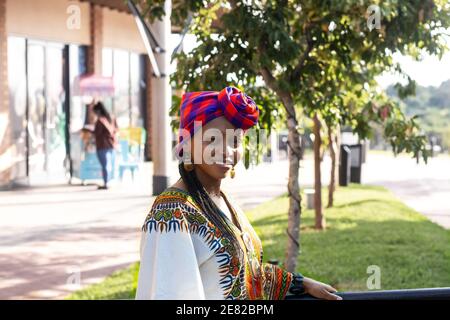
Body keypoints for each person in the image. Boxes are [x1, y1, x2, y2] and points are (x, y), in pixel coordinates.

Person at [135, 86, 341, 300]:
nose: (227, 150)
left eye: (235, 141)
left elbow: (245, 272)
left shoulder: (221, 199)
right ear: (187, 144)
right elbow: (169, 294)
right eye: (213, 139)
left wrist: (300, 283)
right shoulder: (171, 213)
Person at [92, 101, 118, 190]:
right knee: (110, 165)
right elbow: (116, 129)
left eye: (95, 112)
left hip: (103, 145)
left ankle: (106, 183)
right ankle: (108, 182)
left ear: (98, 111)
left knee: (105, 165)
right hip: (112, 144)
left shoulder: (100, 121)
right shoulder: (111, 117)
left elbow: (97, 133)